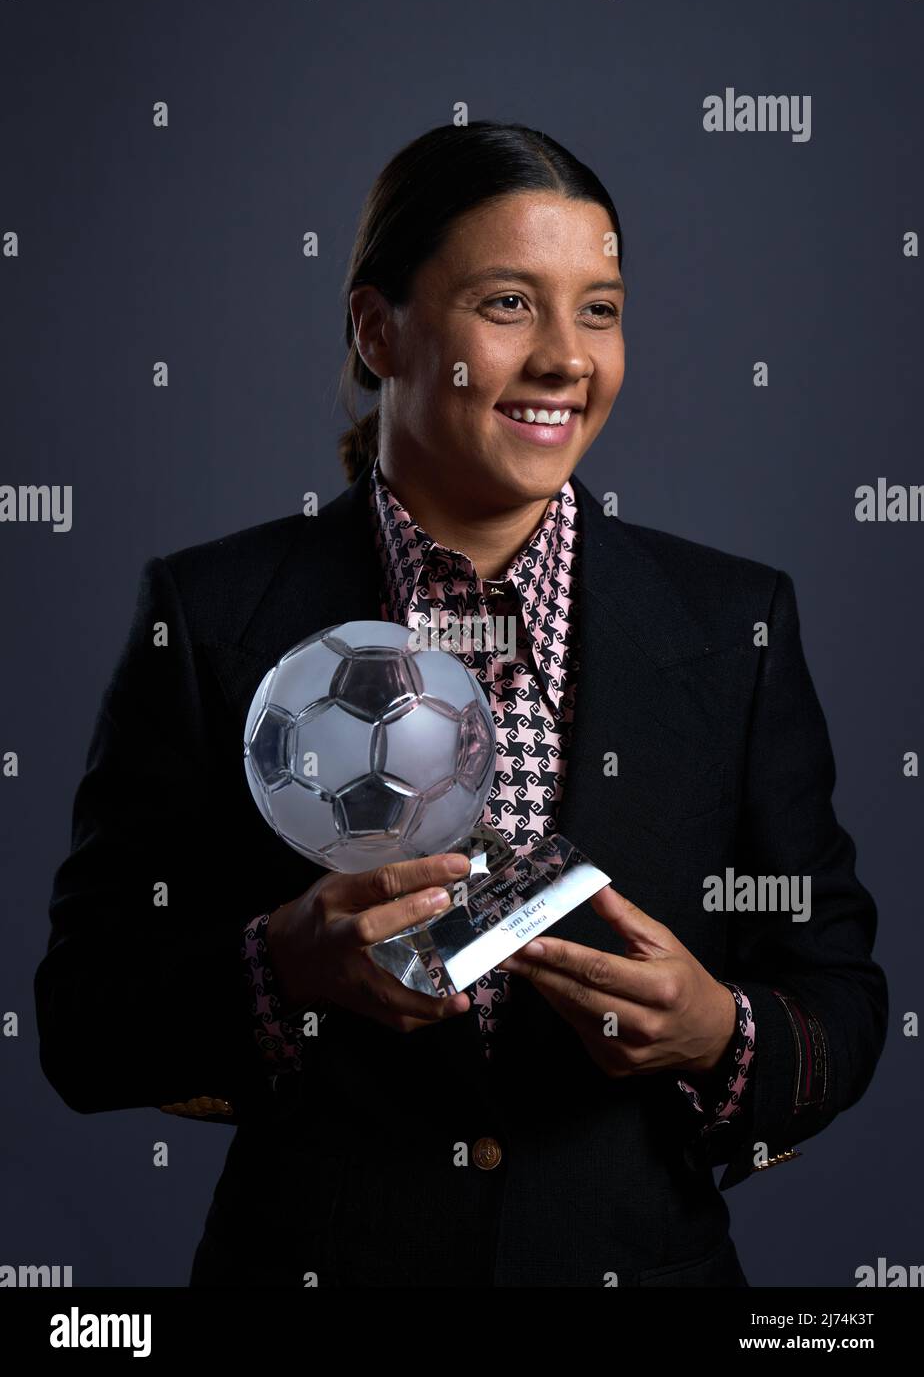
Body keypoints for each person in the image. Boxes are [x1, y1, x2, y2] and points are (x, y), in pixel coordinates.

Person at [35, 120, 888, 1288]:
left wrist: (717, 1033)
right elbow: (84, 1024)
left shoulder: (732, 622)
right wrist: (279, 967)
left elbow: (838, 994)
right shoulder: (215, 611)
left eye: (599, 307)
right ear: (376, 327)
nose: (565, 358)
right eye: (506, 304)